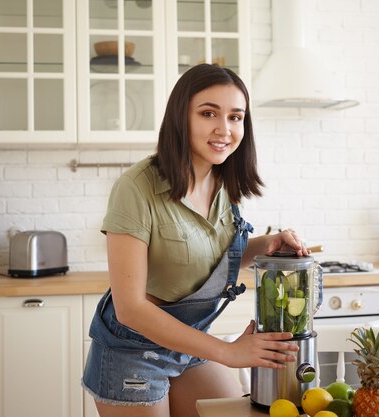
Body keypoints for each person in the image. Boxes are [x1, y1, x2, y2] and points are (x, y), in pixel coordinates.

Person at [82, 63, 309, 417]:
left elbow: (209, 255)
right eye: (208, 114)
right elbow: (130, 309)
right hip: (133, 351)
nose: (224, 129)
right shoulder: (137, 187)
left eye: (236, 117)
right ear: (180, 118)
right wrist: (228, 351)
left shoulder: (226, 186)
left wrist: (265, 244)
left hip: (189, 341)